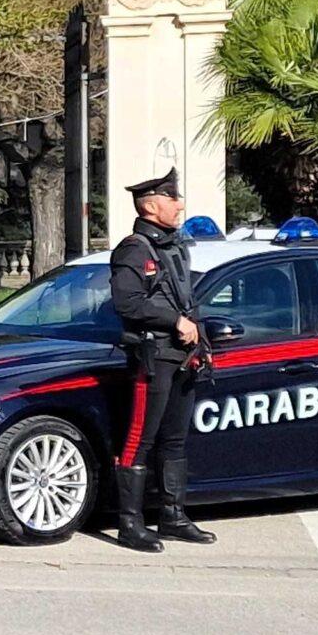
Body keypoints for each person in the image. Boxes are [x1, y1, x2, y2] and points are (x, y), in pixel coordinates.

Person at [106, 168, 215, 553]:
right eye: (172, 199)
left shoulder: (174, 247)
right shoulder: (134, 250)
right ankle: (130, 525)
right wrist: (174, 321)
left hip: (182, 356)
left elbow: (186, 300)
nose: (180, 205)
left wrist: (199, 337)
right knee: (140, 439)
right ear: (151, 206)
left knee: (175, 440)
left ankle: (173, 516)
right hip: (152, 358)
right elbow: (128, 303)